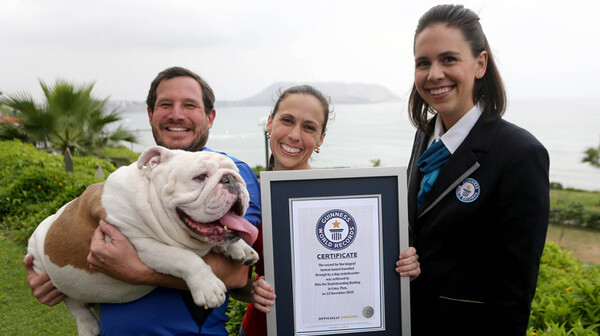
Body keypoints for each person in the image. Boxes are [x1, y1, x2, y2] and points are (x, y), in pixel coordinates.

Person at [24, 66, 261, 336]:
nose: (177, 114)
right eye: (165, 105)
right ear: (150, 114)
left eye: (190, 105)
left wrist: (135, 270)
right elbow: (81, 247)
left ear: (210, 116)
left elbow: (235, 274)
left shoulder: (231, 172)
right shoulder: (138, 176)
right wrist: (57, 278)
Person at [404, 5, 549, 335]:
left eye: (449, 59)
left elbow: (516, 290)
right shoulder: (424, 137)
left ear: (480, 64)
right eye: (423, 63)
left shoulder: (520, 153)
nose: (434, 74)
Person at [236, 85, 421, 336]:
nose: (294, 135)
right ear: (270, 123)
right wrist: (252, 292)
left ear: (321, 139)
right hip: (261, 330)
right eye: (286, 120)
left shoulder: (341, 198)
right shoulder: (249, 197)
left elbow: (373, 265)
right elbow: (233, 280)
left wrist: (402, 270)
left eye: (309, 127)